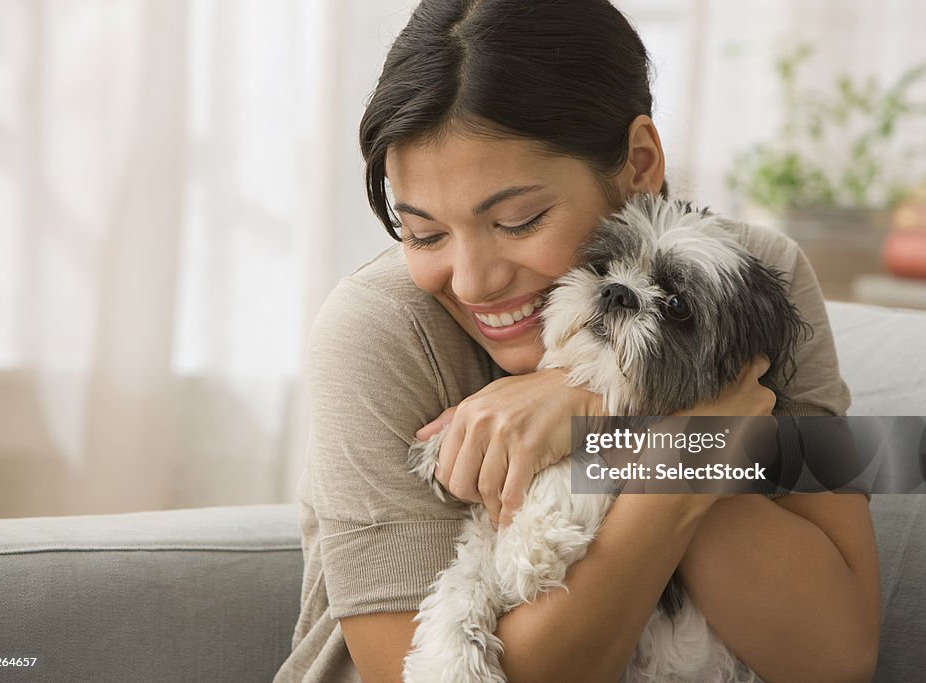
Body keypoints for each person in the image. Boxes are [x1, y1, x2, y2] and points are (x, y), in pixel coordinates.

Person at [274, 1, 880, 681]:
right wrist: (680, 440)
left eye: (517, 219)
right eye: (424, 233)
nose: (473, 282)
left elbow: (837, 653)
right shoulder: (379, 331)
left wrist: (605, 408)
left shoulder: (750, 284)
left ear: (642, 162)